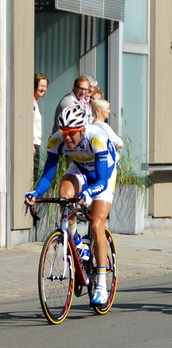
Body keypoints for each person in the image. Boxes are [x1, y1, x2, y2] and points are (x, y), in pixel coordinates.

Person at [25, 104, 118, 306]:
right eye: (64, 132)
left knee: (96, 226)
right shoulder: (57, 140)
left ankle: (101, 284)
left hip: (104, 175)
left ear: (82, 130)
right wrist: (35, 193)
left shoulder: (96, 138)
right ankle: (76, 241)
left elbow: (102, 180)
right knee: (64, 195)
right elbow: (48, 175)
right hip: (81, 169)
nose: (67, 138)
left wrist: (89, 193)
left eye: (72, 133)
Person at [33, 73, 49, 180]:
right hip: (33, 144)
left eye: (45, 86)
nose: (43, 89)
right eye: (41, 85)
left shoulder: (35, 103)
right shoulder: (31, 103)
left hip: (36, 143)